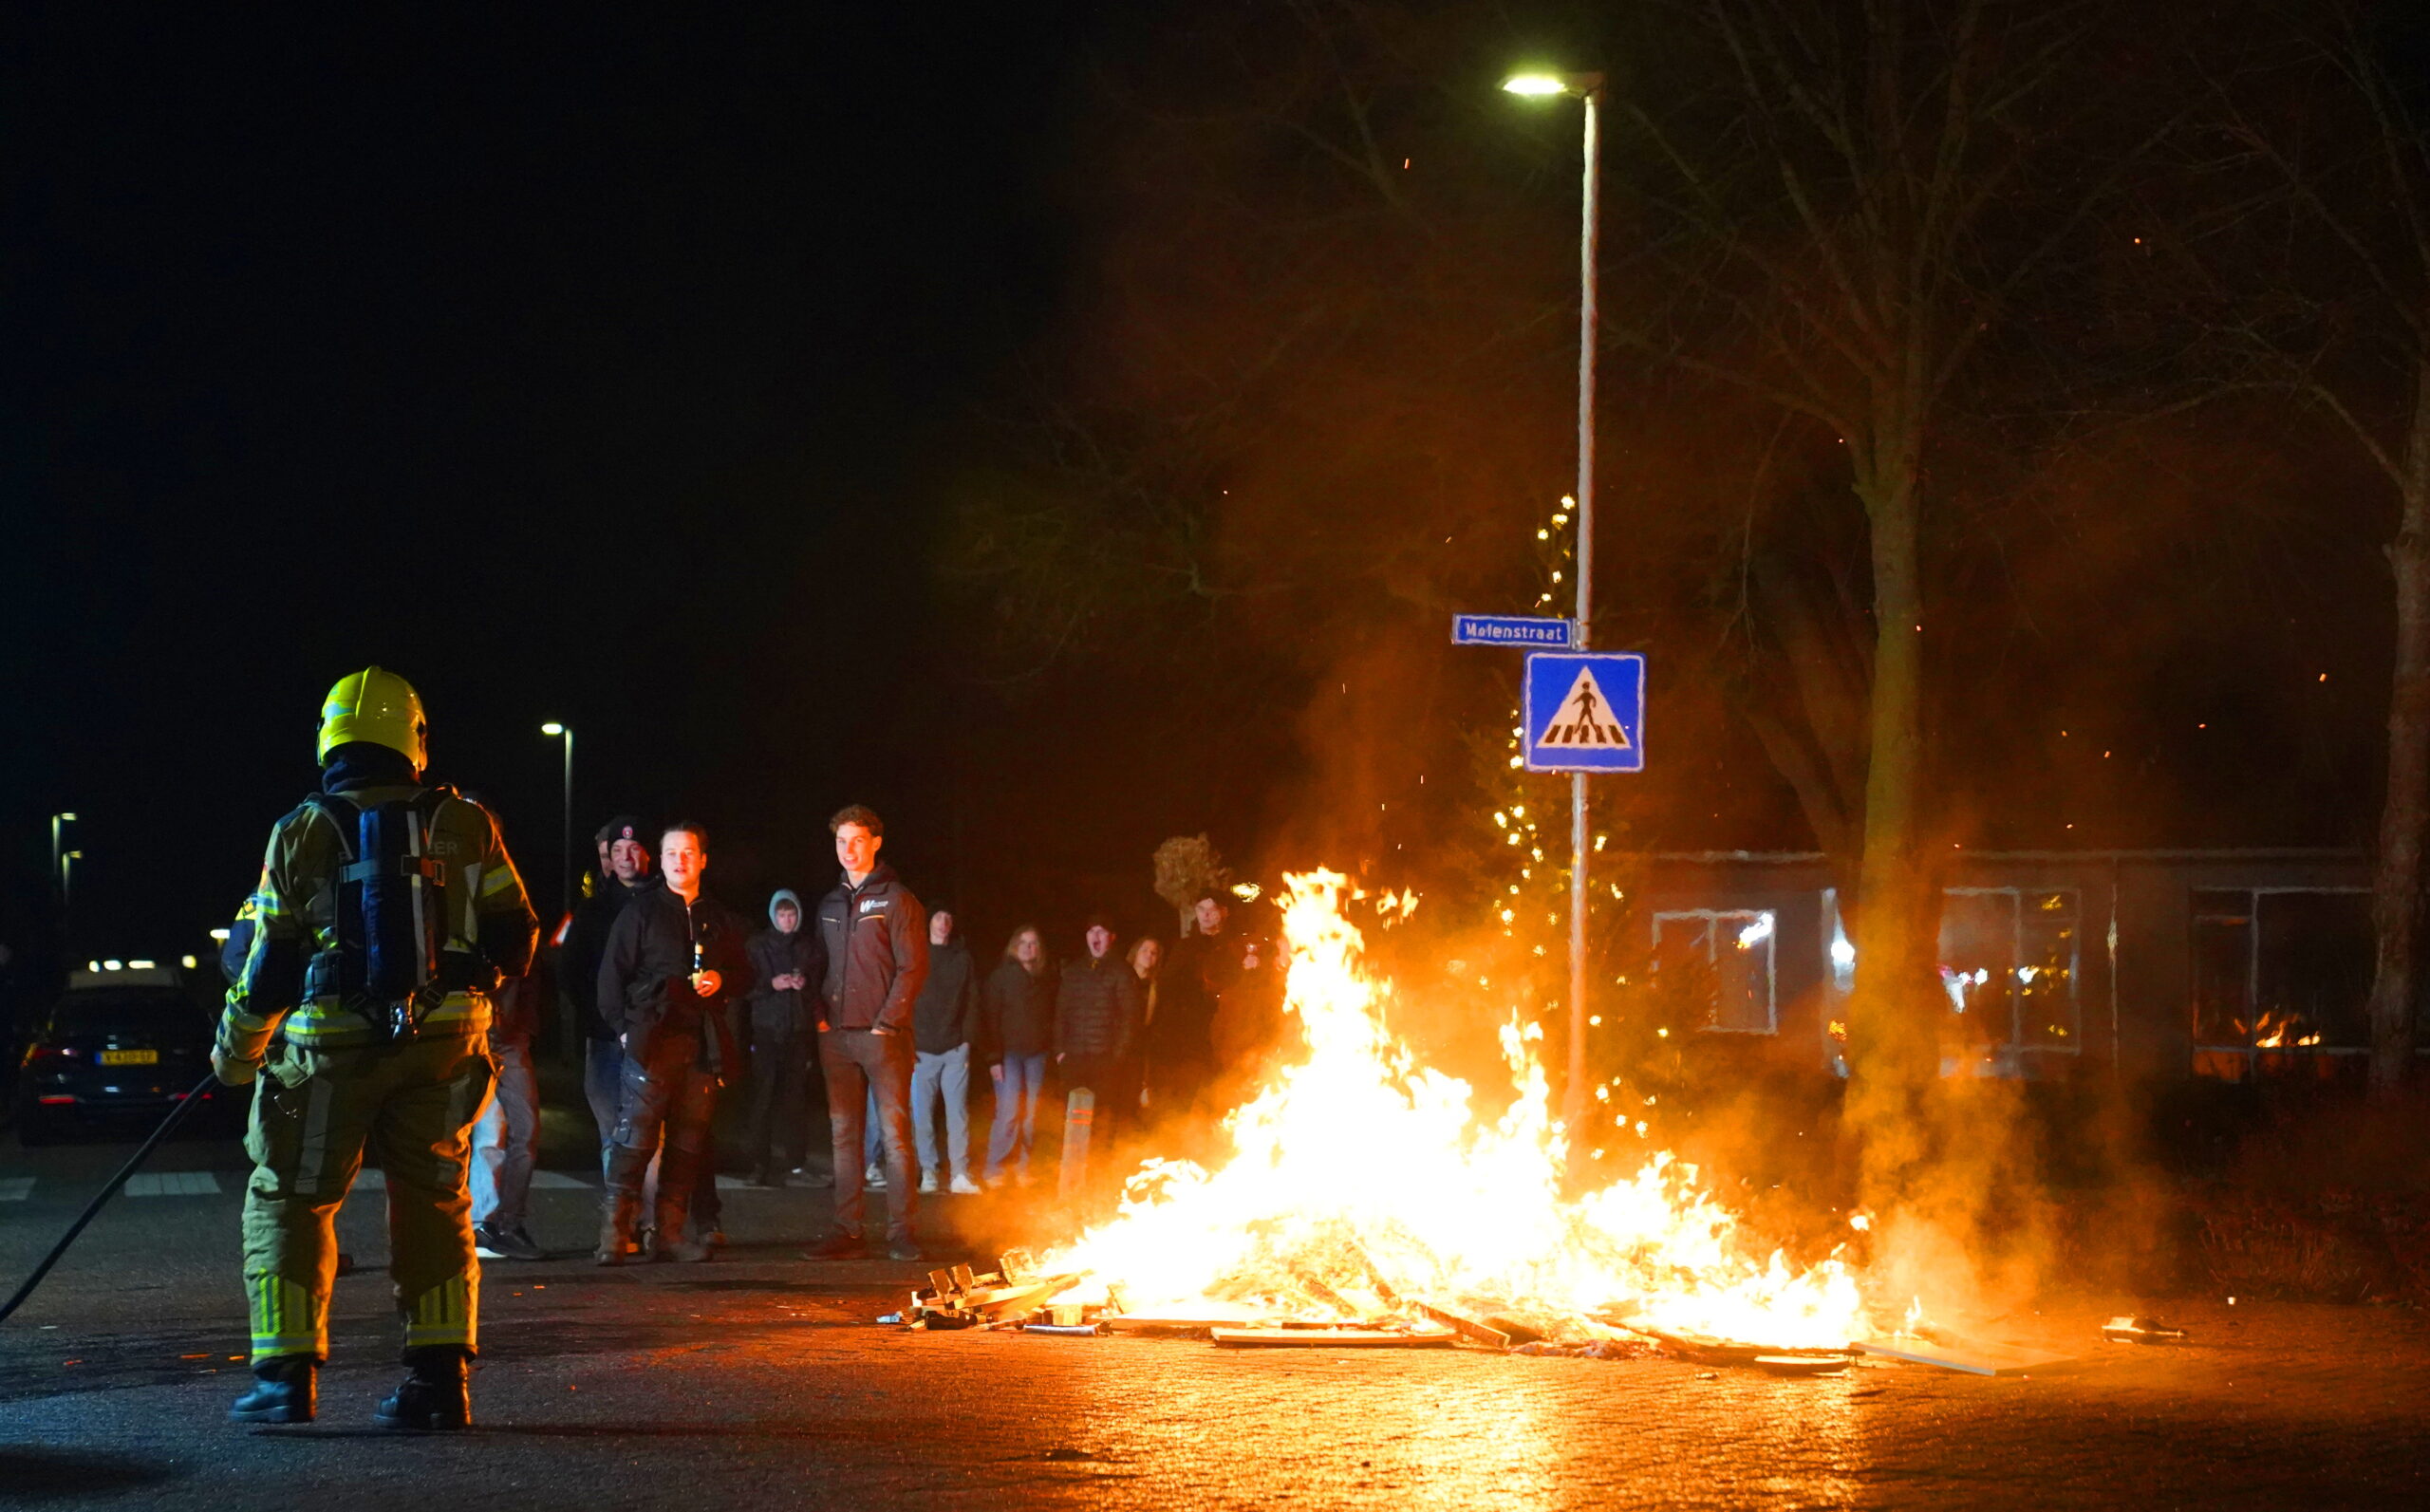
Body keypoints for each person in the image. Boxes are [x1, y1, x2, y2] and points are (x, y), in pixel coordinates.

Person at [212, 666, 537, 1429]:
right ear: (413, 737)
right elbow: (517, 936)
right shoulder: (467, 824)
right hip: (444, 1046)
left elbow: (269, 968)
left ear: (331, 736)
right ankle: (438, 1383)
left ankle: (284, 1380)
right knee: (434, 1199)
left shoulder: (299, 830)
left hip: (329, 1053)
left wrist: (234, 1053)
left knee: (290, 1197)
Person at [594, 823, 750, 1264]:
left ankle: (670, 1234)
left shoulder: (717, 917)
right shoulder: (640, 913)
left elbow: (744, 974)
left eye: (688, 852)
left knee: (687, 1142)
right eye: (671, 853)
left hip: (701, 1045)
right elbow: (610, 978)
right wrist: (624, 1029)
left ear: (703, 860)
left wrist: (721, 979)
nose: (680, 860)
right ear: (660, 862)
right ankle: (613, 1234)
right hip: (653, 1041)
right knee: (636, 1139)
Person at [803, 805, 928, 1262]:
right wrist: (819, 1016)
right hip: (835, 1037)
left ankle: (902, 1233)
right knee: (843, 1136)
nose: (848, 850)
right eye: (841, 841)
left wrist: (887, 1022)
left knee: (895, 1137)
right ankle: (847, 1231)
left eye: (857, 840)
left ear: (876, 842)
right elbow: (815, 964)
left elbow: (914, 967)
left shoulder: (897, 900)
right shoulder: (830, 903)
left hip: (883, 1038)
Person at [561, 816, 654, 1148]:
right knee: (613, 1133)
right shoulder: (593, 911)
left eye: (633, 848)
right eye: (617, 850)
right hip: (605, 1040)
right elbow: (572, 971)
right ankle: (619, 1200)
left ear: (647, 854)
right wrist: (597, 1017)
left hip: (653, 1040)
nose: (626, 857)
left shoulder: (665, 906)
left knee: (649, 1137)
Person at [743, 887, 825, 1187]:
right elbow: (744, 985)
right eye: (781, 914)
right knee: (763, 1100)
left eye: (791, 914)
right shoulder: (757, 946)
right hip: (766, 1032)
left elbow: (819, 987)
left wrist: (804, 984)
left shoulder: (809, 947)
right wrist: (770, 984)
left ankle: (796, 1165)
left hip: (798, 1033)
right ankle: (759, 1164)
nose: (786, 920)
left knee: (796, 1102)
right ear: (773, 915)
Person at [469, 967, 544, 1261]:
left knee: (521, 1131)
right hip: (480, 1032)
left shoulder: (518, 926)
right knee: (490, 1133)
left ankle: (502, 1223)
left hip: (507, 1036)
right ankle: (485, 1223)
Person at [909, 906, 982, 1195]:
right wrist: (907, 1042)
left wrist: (966, 1041)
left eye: (949, 918)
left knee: (958, 1114)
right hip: (921, 1050)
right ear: (929, 922)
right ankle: (928, 1171)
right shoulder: (915, 955)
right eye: (938, 917)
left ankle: (960, 1174)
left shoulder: (961, 958)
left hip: (954, 1049)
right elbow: (904, 999)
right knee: (922, 1115)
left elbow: (972, 999)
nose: (943, 923)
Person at [1056, 917, 1142, 1150]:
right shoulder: (1074, 971)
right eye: (1091, 930)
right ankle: (1073, 1166)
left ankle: (1098, 1169)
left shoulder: (1122, 971)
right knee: (1073, 1114)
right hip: (1074, 1056)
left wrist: (1117, 1056)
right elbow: (1061, 1012)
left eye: (1101, 931)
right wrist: (1060, 1050)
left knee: (1104, 1116)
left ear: (1111, 938)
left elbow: (1130, 1017)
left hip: (1105, 1058)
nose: (1095, 936)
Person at [980, 924, 1055, 1187]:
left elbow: (1052, 1018)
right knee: (1009, 1111)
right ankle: (994, 1168)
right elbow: (990, 1019)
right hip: (1008, 1055)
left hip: (1037, 1055)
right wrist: (993, 1058)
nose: (1028, 947)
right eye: (1023, 942)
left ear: (1039, 950)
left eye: (1033, 943)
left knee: (1033, 1114)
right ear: (1014, 946)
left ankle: (1025, 1167)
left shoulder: (1046, 979)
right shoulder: (1000, 978)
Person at [1125, 936, 1162, 1122]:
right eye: (1145, 950)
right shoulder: (1122, 981)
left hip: (1141, 1050)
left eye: (1154, 952)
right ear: (1136, 953)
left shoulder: (1156, 987)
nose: (1149, 955)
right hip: (1119, 1047)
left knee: (1137, 1101)